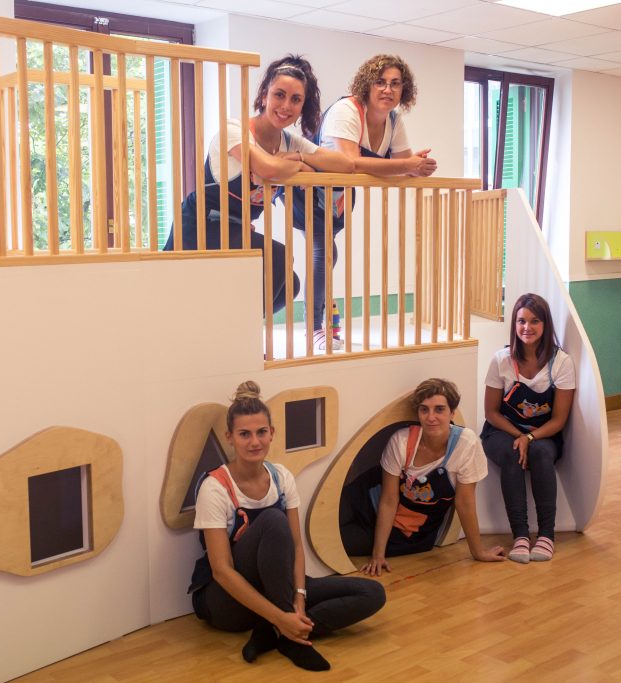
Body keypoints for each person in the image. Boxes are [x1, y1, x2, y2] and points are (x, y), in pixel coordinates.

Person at [189, 381, 385, 671]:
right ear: (230, 437)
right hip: (227, 602)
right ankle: (286, 630)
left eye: (261, 432)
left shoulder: (281, 477)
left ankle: (276, 632)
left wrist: (300, 599)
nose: (254, 442)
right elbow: (222, 571)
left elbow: (296, 547)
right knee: (272, 520)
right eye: (244, 434)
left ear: (272, 433)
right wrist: (282, 614)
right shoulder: (215, 487)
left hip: (277, 587)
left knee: (372, 594)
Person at [163, 55, 353, 314]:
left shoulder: (290, 142)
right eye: (279, 95)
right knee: (277, 257)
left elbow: (345, 164)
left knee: (290, 286)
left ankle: (234, 324)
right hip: (201, 225)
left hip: (236, 230)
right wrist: (298, 167)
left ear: (302, 106)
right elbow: (267, 169)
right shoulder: (234, 130)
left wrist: (299, 157)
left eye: (296, 99)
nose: (286, 105)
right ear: (264, 96)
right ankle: (234, 326)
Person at [294, 54, 439, 350]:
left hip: (340, 195)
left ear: (404, 90)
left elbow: (403, 165)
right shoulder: (347, 110)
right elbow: (351, 162)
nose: (388, 89)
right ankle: (314, 328)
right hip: (310, 188)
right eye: (380, 82)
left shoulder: (393, 120)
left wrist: (414, 166)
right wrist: (407, 165)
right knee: (323, 252)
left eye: (395, 84)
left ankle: (323, 316)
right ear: (367, 85)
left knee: (328, 253)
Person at [340, 378, 505, 576]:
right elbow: (389, 500)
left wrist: (478, 552)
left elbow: (464, 503)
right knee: (323, 526)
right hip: (366, 499)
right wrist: (377, 555)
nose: (431, 417)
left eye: (439, 409)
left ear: (452, 412)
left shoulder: (466, 444)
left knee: (337, 542)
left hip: (406, 530)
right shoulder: (401, 440)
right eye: (424, 410)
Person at [481, 293, 576, 563]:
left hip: (544, 432)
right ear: (514, 324)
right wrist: (520, 436)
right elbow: (491, 412)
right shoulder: (501, 360)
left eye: (535, 321)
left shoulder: (561, 363)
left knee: (541, 453)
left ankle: (546, 535)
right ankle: (520, 536)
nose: (527, 327)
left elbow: (559, 420)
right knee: (513, 454)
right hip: (502, 430)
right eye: (521, 321)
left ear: (545, 324)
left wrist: (531, 437)